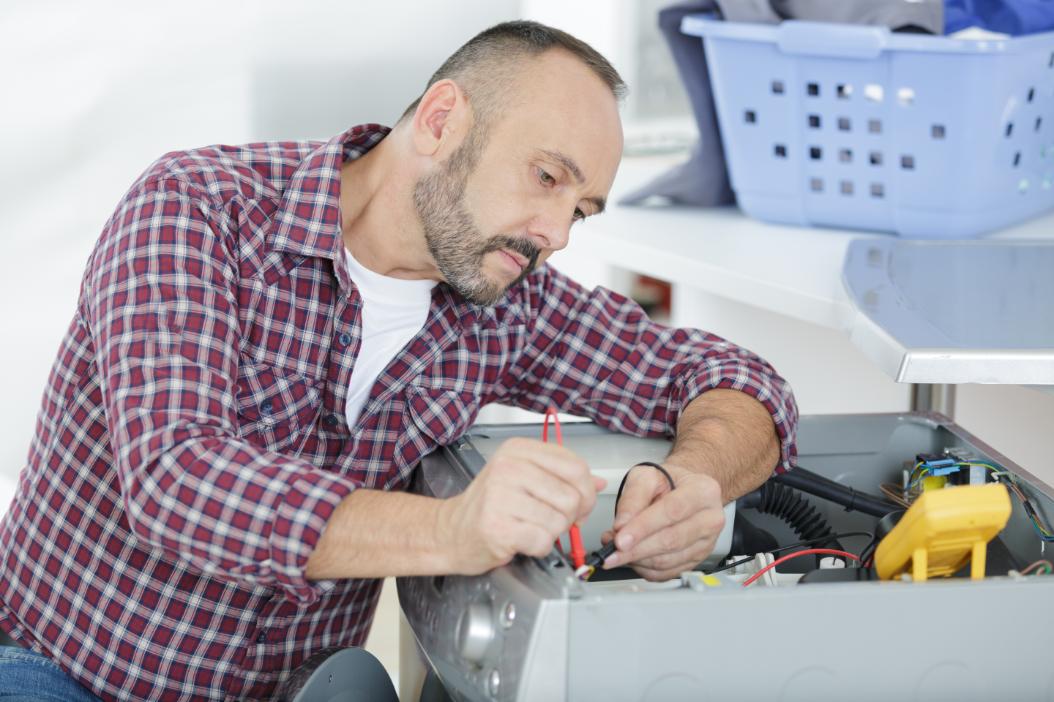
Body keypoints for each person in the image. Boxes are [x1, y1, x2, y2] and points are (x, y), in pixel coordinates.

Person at [0, 19, 797, 702]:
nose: (555, 231)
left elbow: (739, 383)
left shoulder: (509, 299)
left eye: (579, 211)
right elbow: (177, 480)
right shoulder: (196, 209)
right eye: (547, 176)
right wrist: (455, 528)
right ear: (442, 120)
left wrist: (699, 478)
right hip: (63, 671)